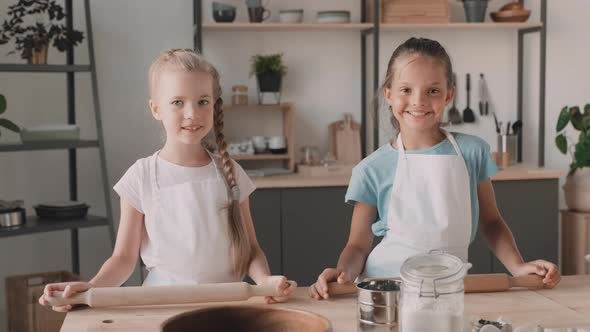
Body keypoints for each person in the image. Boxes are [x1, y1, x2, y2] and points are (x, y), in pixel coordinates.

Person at [39, 49, 294, 311]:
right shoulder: (140, 177)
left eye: (202, 101)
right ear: (156, 109)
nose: (192, 113)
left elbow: (251, 249)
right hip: (161, 307)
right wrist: (92, 287)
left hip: (227, 307)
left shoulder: (231, 172)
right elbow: (124, 258)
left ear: (214, 105)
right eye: (177, 102)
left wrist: (265, 280)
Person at [309, 37, 560, 300]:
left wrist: (518, 267)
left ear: (449, 94)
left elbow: (492, 222)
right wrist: (342, 273)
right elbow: (358, 245)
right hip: (388, 292)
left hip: (449, 290)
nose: (418, 101)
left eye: (433, 91)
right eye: (406, 90)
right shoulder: (372, 168)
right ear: (389, 95)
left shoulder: (472, 152)